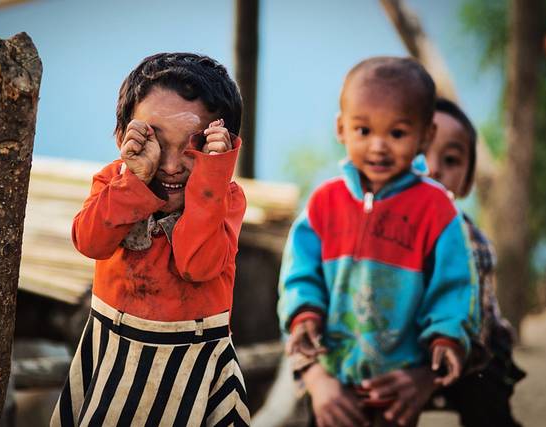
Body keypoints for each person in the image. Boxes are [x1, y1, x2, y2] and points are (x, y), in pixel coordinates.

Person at [278, 56, 480, 427]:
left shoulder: (437, 209)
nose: (378, 147)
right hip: (332, 375)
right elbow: (300, 272)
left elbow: (454, 286)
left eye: (397, 134)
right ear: (341, 128)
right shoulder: (324, 203)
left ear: (426, 136)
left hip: (397, 383)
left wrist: (447, 337)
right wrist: (303, 315)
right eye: (364, 130)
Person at [51, 52, 250, 427]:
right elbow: (89, 242)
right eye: (154, 140)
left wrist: (211, 176)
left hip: (191, 369)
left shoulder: (225, 199)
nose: (171, 166)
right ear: (122, 136)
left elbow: (197, 265)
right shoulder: (114, 182)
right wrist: (134, 180)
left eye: (193, 147)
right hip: (113, 360)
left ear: (220, 150)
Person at [422, 97, 525, 427]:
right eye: (419, 152)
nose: (432, 168)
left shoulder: (469, 240)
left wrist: (420, 377)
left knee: (486, 394)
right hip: (400, 343)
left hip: (474, 345)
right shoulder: (371, 229)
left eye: (451, 160)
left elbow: (472, 329)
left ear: (466, 183)